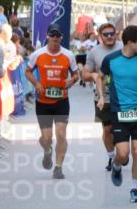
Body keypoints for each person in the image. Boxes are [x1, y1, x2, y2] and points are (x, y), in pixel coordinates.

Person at [101, 25, 137, 202]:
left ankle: (135, 188)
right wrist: (102, 96)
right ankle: (116, 165)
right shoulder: (111, 60)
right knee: (123, 154)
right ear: (130, 42)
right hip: (119, 112)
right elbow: (99, 77)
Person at [25, 24, 79, 179]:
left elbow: (76, 74)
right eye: (52, 36)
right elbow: (27, 71)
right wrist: (36, 83)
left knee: (61, 134)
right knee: (47, 138)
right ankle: (47, 151)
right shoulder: (38, 54)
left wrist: (72, 80)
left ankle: (58, 167)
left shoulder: (68, 55)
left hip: (61, 100)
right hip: (43, 101)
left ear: (61, 37)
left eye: (58, 36)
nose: (55, 39)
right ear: (48, 36)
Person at [84, 23, 120, 171]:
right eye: (106, 34)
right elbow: (85, 74)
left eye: (112, 33)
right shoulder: (94, 52)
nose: (110, 36)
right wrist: (92, 75)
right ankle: (111, 157)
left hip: (124, 96)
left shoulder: (124, 48)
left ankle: (122, 152)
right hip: (102, 97)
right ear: (100, 36)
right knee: (107, 130)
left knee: (121, 129)